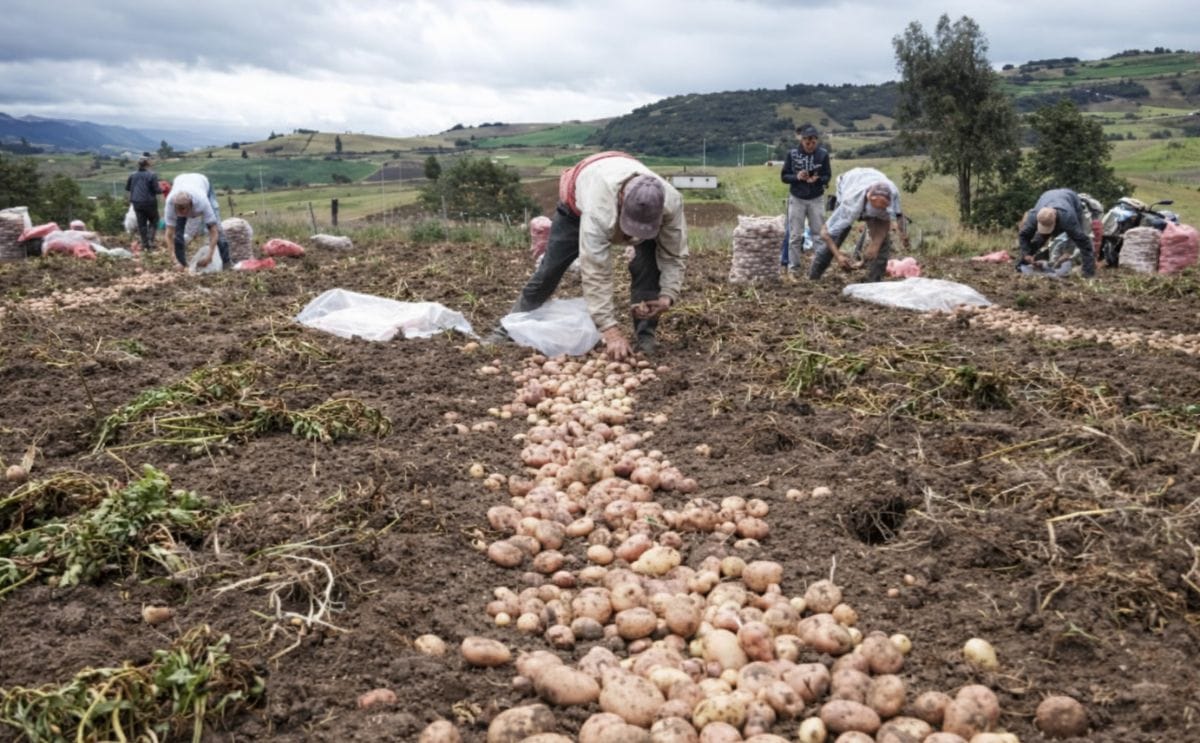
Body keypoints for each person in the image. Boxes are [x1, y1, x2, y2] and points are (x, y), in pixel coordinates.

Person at [487, 151, 687, 360]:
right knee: (549, 271)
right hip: (577, 206)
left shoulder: (671, 202)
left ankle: (645, 338)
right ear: (620, 202)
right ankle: (507, 328)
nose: (633, 235)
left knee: (649, 266)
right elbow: (596, 271)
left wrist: (667, 296)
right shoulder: (598, 207)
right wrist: (610, 330)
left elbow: (674, 253)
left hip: (621, 177)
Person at [809, 166, 909, 282]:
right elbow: (825, 233)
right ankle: (814, 277)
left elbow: (885, 221)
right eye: (874, 210)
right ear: (867, 199)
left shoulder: (892, 195)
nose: (877, 214)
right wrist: (838, 256)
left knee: (882, 243)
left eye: (881, 210)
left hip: (872, 178)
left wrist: (875, 244)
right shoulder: (850, 204)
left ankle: (873, 282)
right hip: (850, 182)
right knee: (837, 235)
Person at [780, 124, 832, 277]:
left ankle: (818, 268)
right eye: (807, 142)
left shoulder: (823, 155)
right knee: (795, 235)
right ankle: (793, 268)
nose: (811, 145)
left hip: (816, 198)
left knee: (818, 234)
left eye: (814, 142)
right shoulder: (792, 154)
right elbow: (784, 176)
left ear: (817, 141)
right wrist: (797, 177)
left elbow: (827, 176)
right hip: (797, 198)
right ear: (802, 141)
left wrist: (818, 180)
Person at [1017, 188, 1096, 278]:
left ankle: (1088, 273)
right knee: (1040, 238)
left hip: (1071, 199)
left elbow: (1082, 241)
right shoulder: (1034, 215)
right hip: (1047, 196)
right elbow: (1023, 235)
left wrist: (1068, 252)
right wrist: (1026, 253)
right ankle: (1021, 264)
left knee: (1081, 239)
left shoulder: (1068, 217)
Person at [164, 173, 230, 271]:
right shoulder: (170, 204)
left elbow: (214, 230)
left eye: (185, 212)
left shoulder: (202, 202)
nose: (183, 215)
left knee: (219, 230)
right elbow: (169, 234)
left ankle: (226, 263)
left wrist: (209, 256)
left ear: (191, 206)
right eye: (179, 213)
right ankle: (182, 263)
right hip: (180, 180)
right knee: (178, 234)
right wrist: (175, 260)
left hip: (202, 182)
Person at [125, 156, 161, 251]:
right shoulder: (152, 175)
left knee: (142, 223)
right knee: (154, 220)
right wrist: (163, 188)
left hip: (136, 202)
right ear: (148, 164)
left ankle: (145, 244)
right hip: (149, 202)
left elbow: (128, 188)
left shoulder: (132, 175)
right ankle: (150, 240)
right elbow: (157, 190)